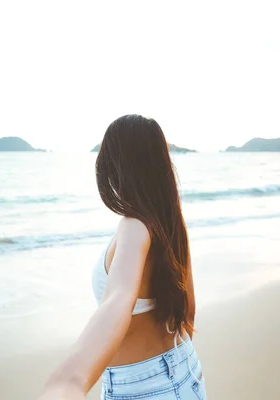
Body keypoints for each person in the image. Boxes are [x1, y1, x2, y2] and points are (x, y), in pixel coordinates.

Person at [40, 115, 206, 399]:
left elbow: (118, 297)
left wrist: (69, 380)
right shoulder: (170, 223)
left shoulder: (134, 226)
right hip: (184, 369)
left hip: (142, 387)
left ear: (114, 166)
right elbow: (188, 309)